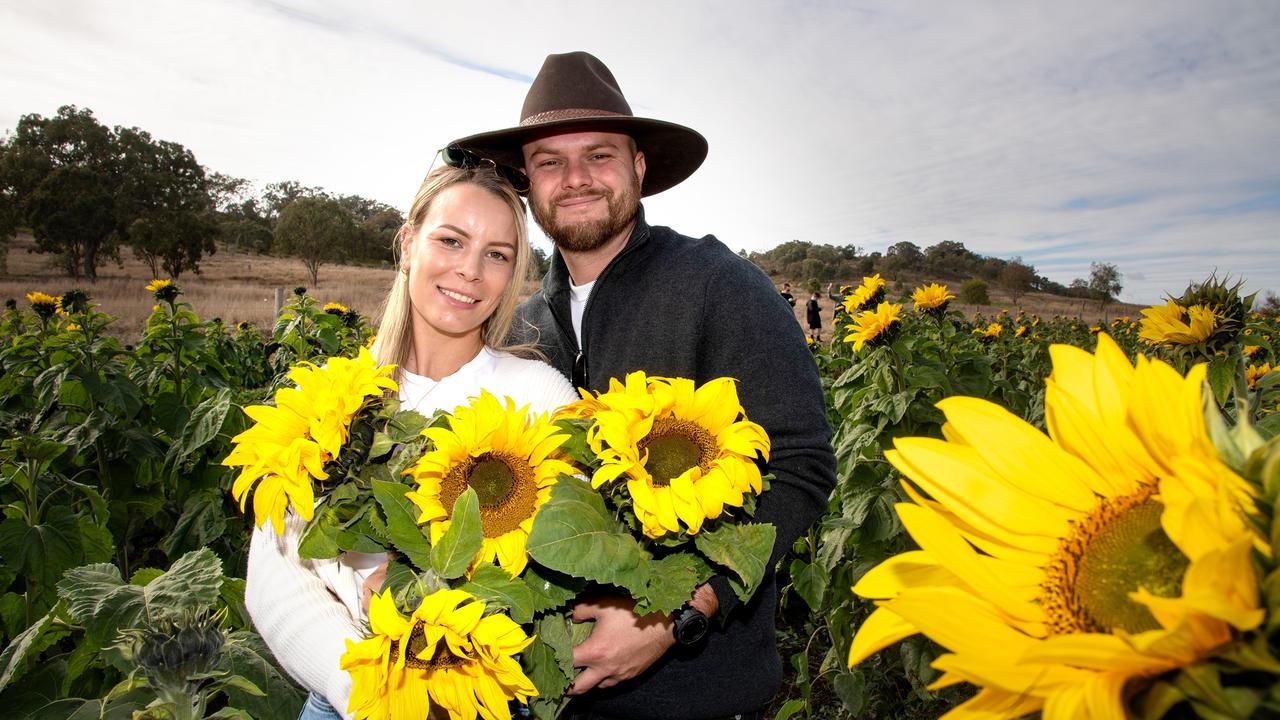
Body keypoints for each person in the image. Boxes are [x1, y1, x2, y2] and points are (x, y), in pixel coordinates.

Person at [452, 51, 837, 720]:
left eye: (599, 155)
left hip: (698, 695)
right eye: (550, 162)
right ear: (526, 182)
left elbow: (801, 467)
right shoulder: (517, 327)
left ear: (638, 167)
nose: (575, 178)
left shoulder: (719, 287)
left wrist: (680, 613)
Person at [244, 164, 578, 720]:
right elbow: (275, 579)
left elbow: (564, 566)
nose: (470, 270)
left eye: (497, 254)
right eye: (451, 240)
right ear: (407, 245)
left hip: (480, 694)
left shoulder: (537, 395)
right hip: (350, 694)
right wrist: (376, 689)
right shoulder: (334, 399)